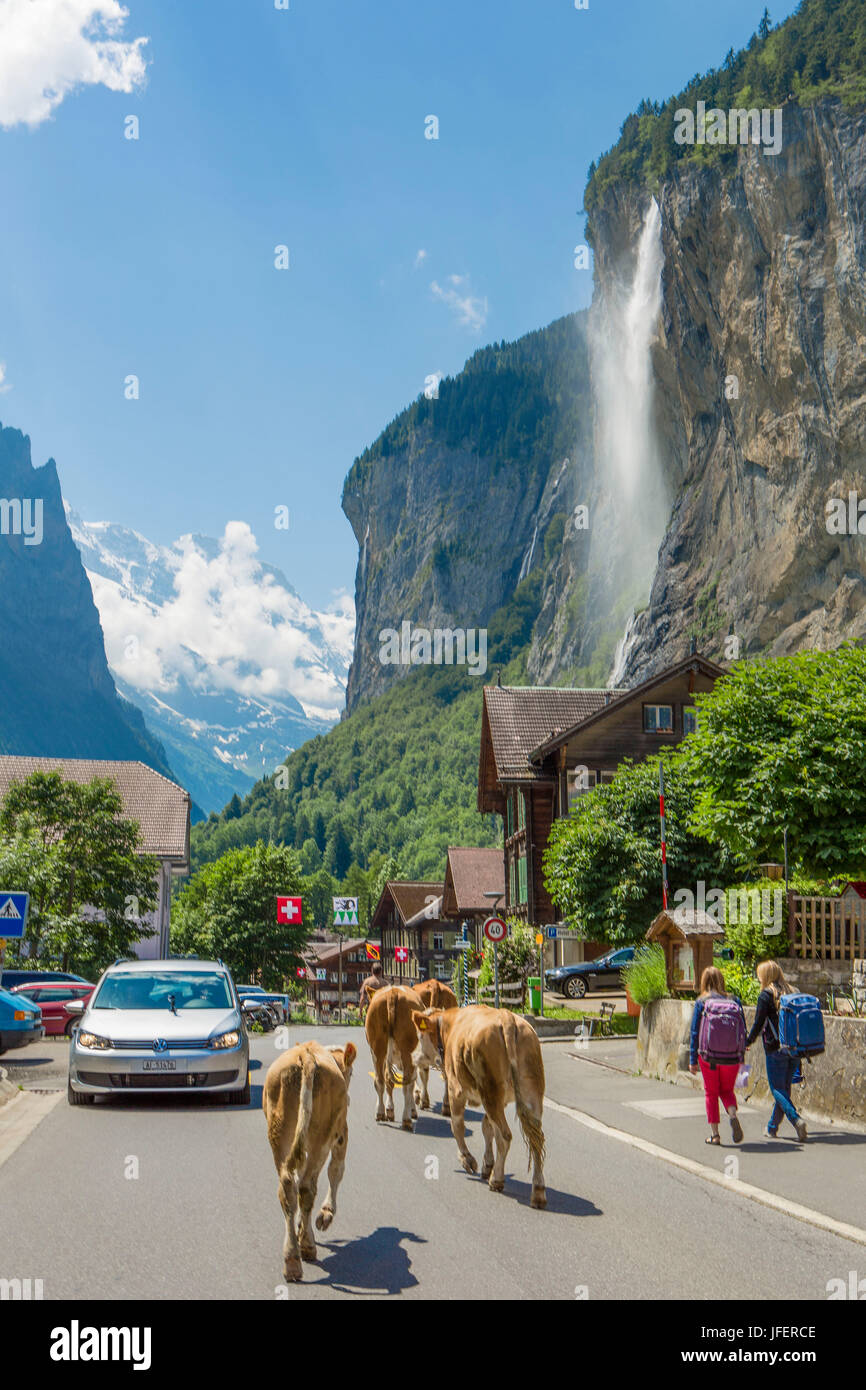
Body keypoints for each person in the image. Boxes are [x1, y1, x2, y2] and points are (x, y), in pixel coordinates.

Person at [745, 960, 808, 1142]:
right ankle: (772, 1127)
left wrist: (748, 1041)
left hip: (775, 1048)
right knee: (784, 1090)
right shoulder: (793, 991)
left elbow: (758, 1023)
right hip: (796, 1048)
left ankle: (796, 1120)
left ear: (765, 976)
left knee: (777, 1089)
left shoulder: (766, 995)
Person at [689, 966, 745, 1146]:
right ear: (722, 980)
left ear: (704, 981)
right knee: (727, 1090)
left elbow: (695, 1033)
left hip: (708, 1057)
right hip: (732, 1056)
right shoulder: (734, 1000)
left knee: (711, 1093)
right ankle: (732, 1114)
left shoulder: (701, 1002)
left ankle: (715, 1135)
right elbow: (743, 1029)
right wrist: (741, 1055)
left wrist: (692, 1060)